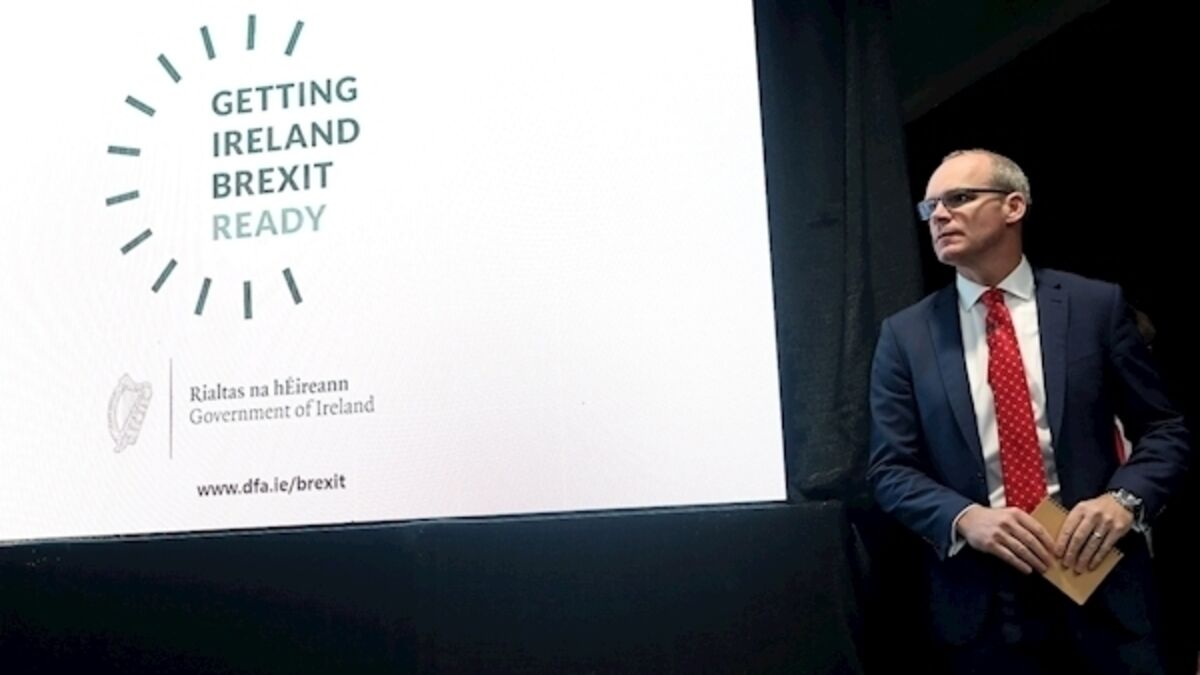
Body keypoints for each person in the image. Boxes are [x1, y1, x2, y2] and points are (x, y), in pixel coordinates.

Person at [867, 149, 1191, 674]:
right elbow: (890, 468)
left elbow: (1163, 429)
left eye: (959, 198)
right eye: (930, 207)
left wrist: (1124, 501)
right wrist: (964, 518)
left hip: (1101, 582)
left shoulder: (1094, 307)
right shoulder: (906, 335)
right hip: (981, 601)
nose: (939, 216)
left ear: (1013, 206)